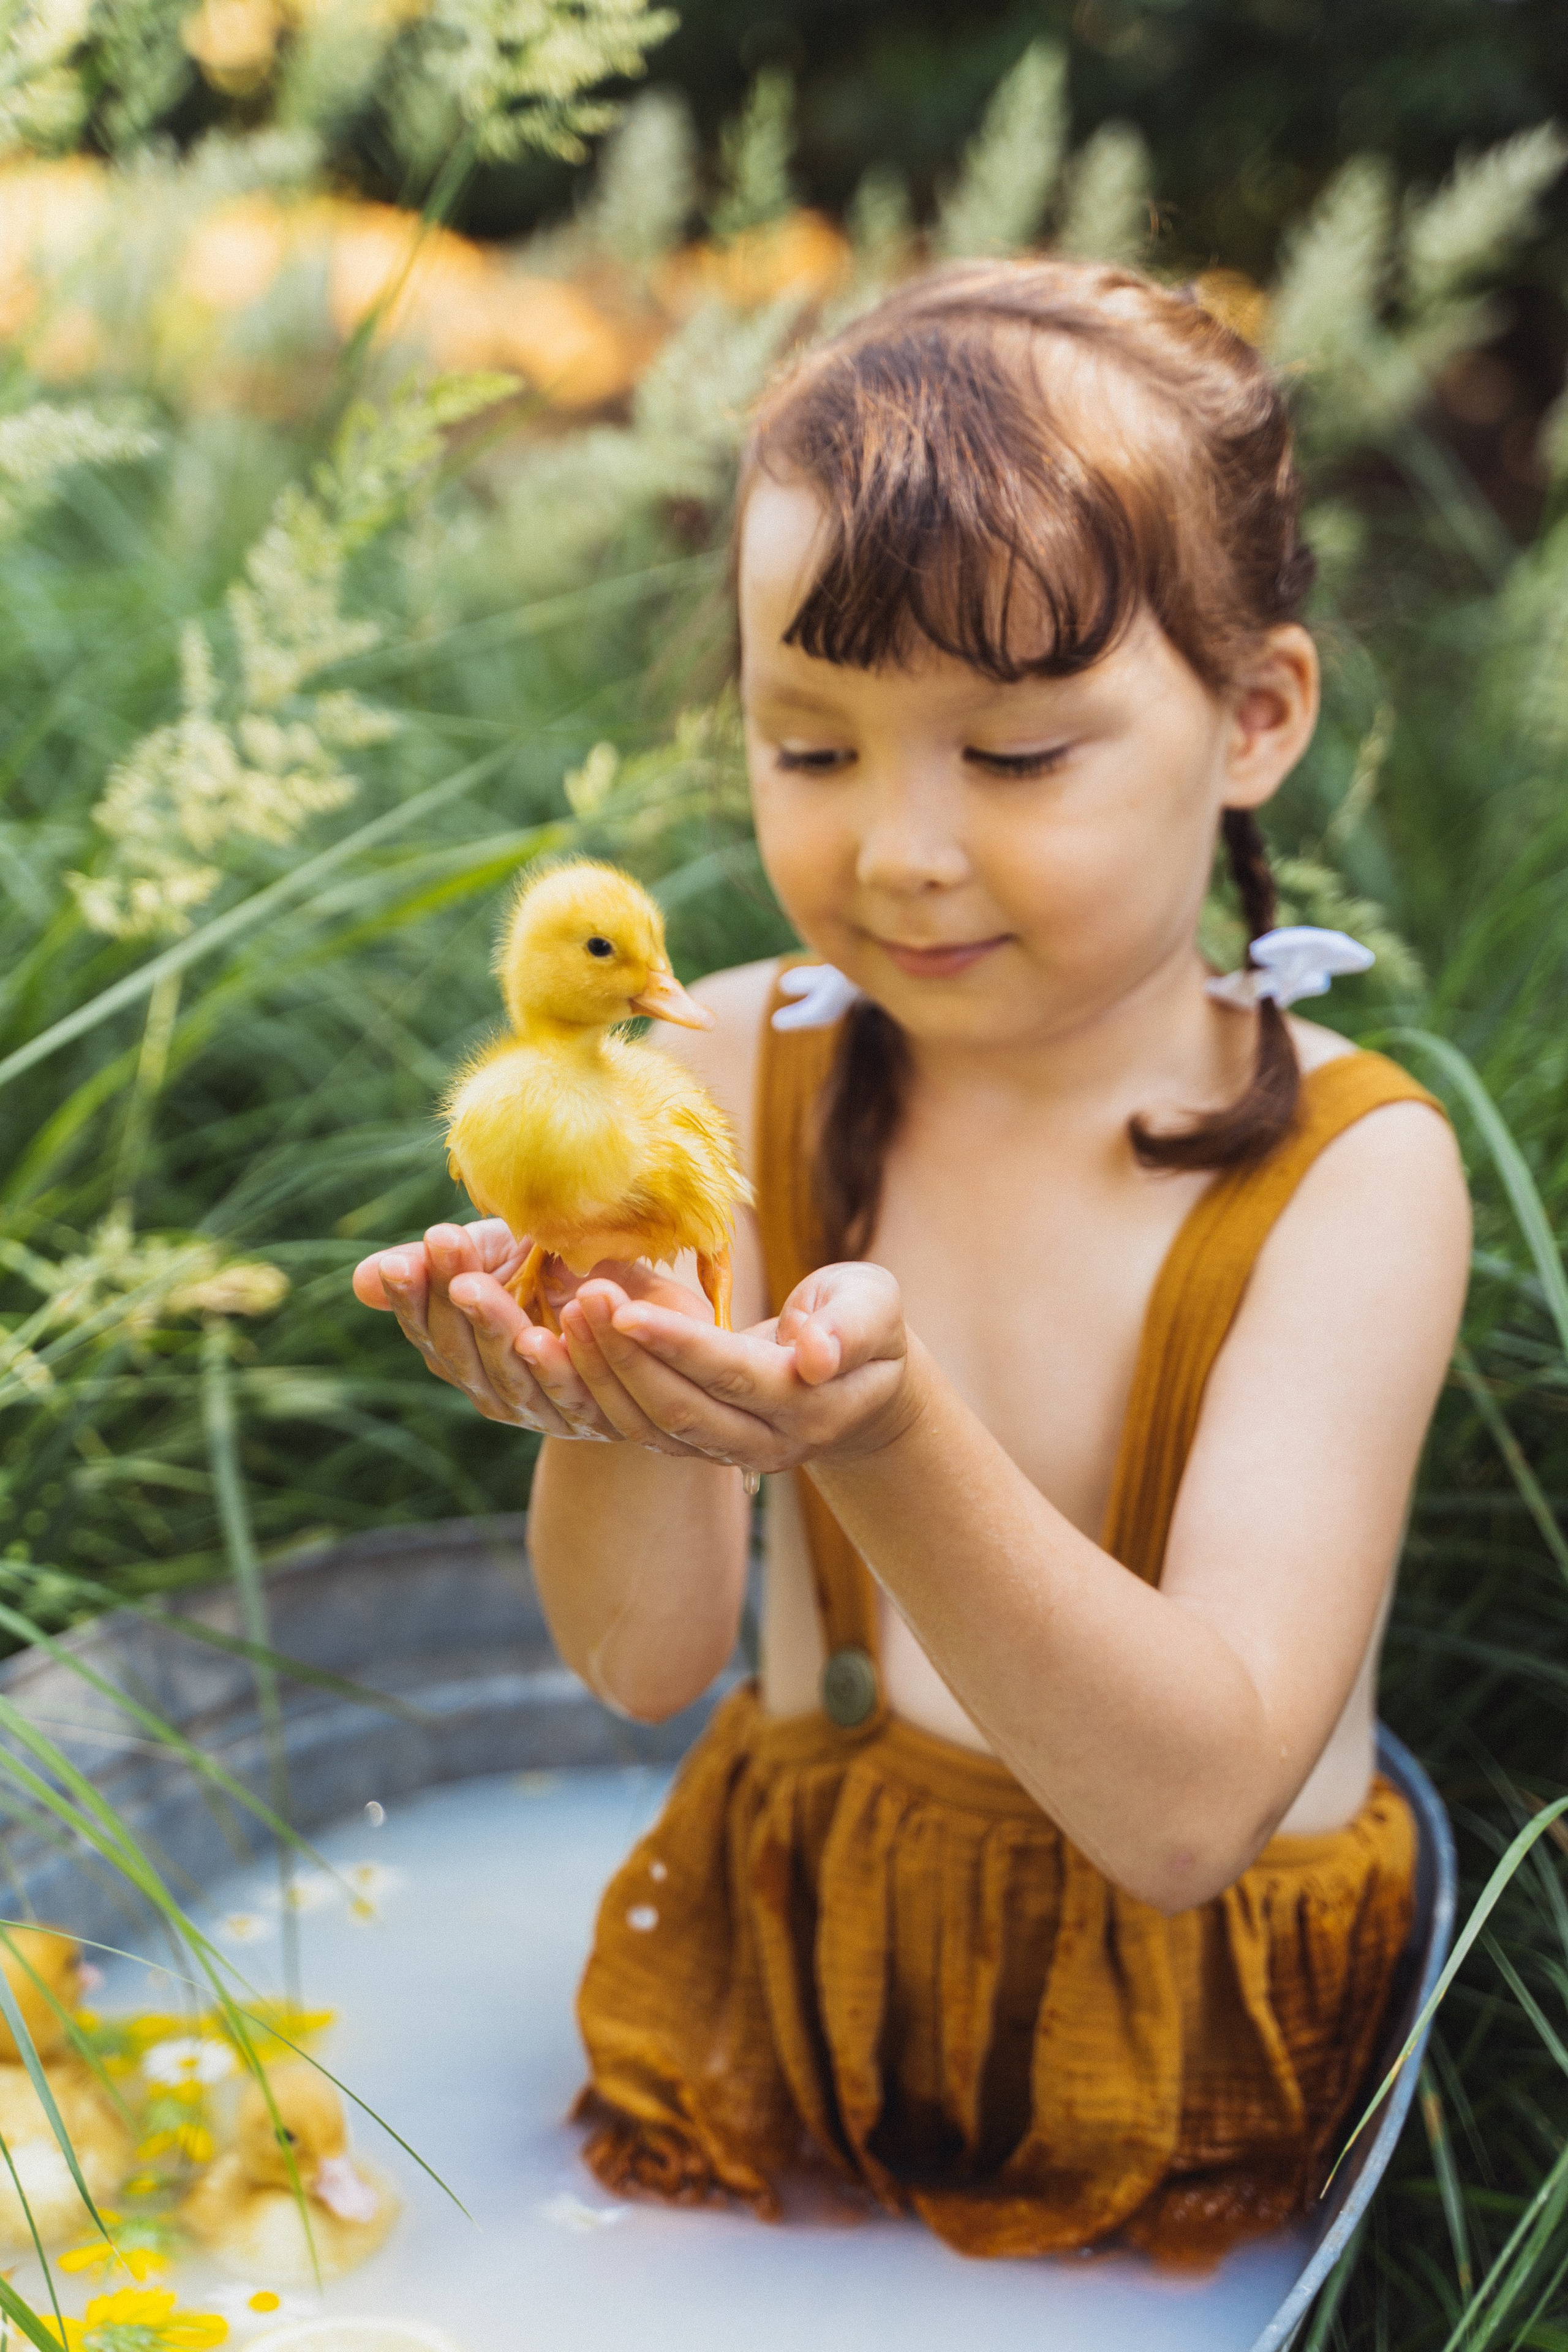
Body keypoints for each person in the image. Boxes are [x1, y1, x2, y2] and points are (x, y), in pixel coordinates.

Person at [352, 258, 1470, 2262]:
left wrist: (885, 1438)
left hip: (1162, 2054)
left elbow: (1187, 1817)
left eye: (1016, 756)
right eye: (812, 748)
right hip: (790, 1972)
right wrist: (609, 1392)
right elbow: (637, 1666)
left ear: (1255, 718)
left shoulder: (1348, 1180)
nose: (900, 849)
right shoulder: (723, 1075)